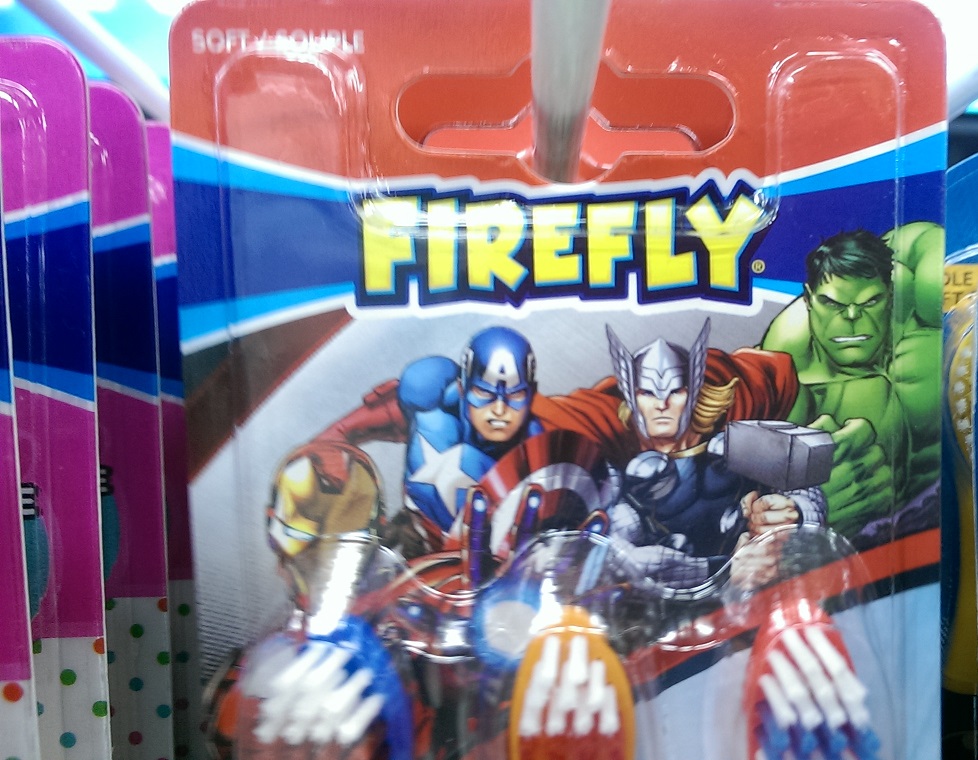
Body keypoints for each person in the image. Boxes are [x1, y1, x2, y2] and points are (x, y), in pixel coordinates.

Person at [533, 319, 826, 590]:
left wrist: (793, 513)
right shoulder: (624, 473)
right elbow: (624, 559)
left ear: (695, 392)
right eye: (648, 393)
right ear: (631, 398)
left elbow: (806, 486)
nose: (662, 404)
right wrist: (723, 568)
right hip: (671, 608)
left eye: (675, 391)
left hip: (756, 594)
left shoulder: (733, 445)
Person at [272, 326, 544, 556]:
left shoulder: (539, 449)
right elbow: (342, 432)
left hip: (490, 565)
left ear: (530, 394)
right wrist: (331, 443)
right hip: (412, 541)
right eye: (484, 393)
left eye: (515, 396)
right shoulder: (432, 403)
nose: (499, 410)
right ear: (463, 387)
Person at [760, 223, 942, 541]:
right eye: (832, 304)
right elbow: (767, 478)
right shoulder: (789, 356)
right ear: (809, 299)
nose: (853, 317)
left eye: (871, 302)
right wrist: (809, 504)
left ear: (891, 294)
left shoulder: (919, 282)